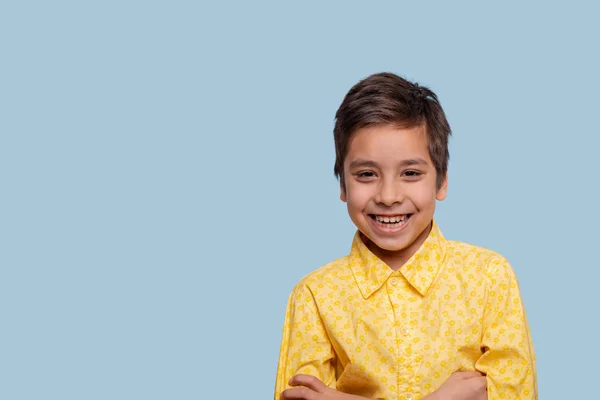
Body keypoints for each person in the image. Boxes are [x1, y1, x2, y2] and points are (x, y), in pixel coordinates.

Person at [274, 73, 537, 400]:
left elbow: (516, 392)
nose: (388, 195)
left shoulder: (489, 277)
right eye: (366, 174)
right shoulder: (315, 294)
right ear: (343, 185)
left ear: (441, 182)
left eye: (410, 173)